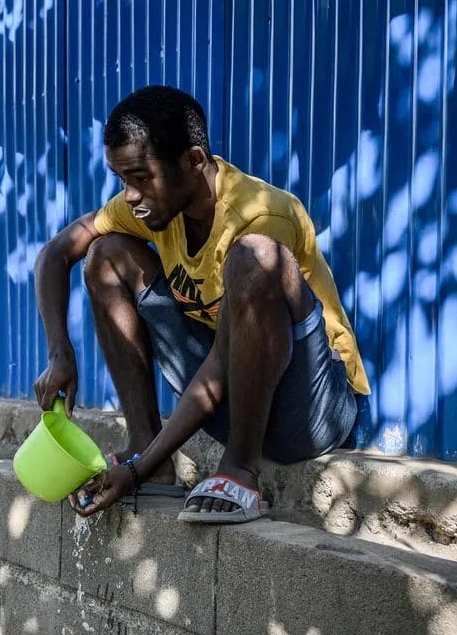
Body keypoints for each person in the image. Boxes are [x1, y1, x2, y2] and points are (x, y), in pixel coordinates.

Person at [33, 85, 371, 524]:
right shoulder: (153, 205)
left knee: (257, 257)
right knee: (105, 256)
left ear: (193, 161)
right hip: (233, 393)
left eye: (141, 177)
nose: (131, 195)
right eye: (122, 180)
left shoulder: (260, 215)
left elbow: (218, 365)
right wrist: (60, 351)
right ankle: (145, 444)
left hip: (311, 408)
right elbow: (55, 254)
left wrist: (135, 473)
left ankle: (240, 469)